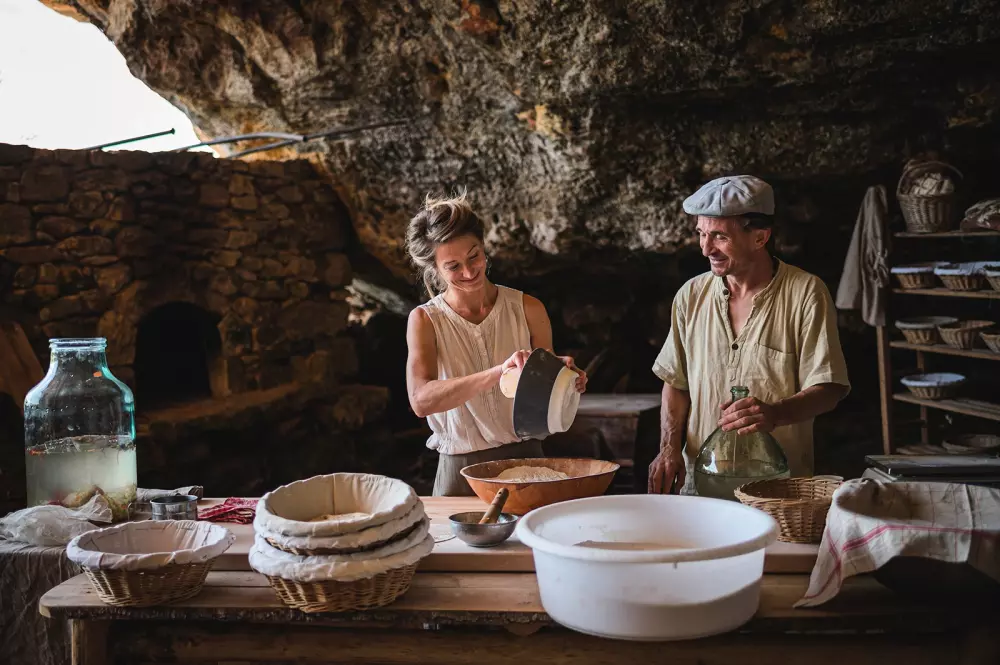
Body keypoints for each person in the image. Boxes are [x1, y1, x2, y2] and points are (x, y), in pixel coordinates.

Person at [648, 175, 850, 496]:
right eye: (701, 234)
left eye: (719, 237)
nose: (706, 248)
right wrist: (669, 448)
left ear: (760, 237)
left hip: (776, 490)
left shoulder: (806, 293)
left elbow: (828, 388)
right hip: (700, 486)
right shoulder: (690, 295)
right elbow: (675, 383)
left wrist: (775, 414)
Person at [404, 191, 587, 496]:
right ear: (434, 269)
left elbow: (543, 390)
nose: (469, 271)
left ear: (484, 246)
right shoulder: (425, 320)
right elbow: (421, 401)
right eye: (453, 266)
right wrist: (498, 372)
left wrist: (565, 378)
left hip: (528, 458)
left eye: (474, 256)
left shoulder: (528, 308)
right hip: (459, 468)